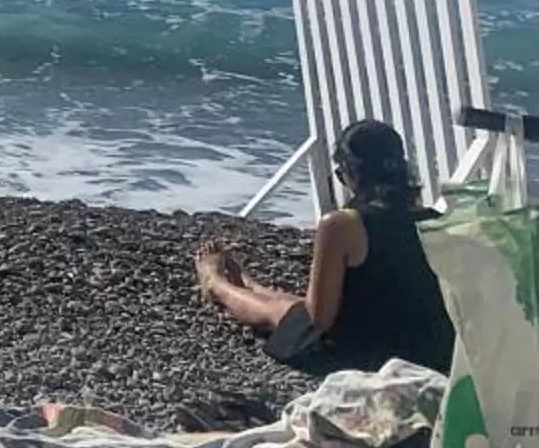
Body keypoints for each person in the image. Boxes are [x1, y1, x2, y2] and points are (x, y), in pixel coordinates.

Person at [193, 119, 454, 376]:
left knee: (282, 314)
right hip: (428, 353)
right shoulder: (436, 219)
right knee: (294, 307)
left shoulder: (341, 225)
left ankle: (217, 284)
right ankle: (252, 286)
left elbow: (320, 319)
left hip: (364, 355)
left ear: (352, 172)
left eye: (341, 172)